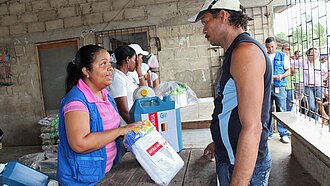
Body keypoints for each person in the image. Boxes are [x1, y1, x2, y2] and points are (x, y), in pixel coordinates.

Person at [189, 0, 272, 185]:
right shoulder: (234, 52)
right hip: (229, 157)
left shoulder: (246, 52)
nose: (203, 30)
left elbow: (253, 127)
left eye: (205, 21)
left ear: (223, 16)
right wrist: (220, 143)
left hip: (242, 167)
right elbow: (229, 107)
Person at [57, 45, 143, 185]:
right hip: (83, 181)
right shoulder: (76, 101)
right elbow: (80, 144)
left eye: (110, 63)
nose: (110, 68)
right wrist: (121, 130)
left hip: (105, 173)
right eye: (103, 64)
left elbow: (107, 131)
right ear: (86, 71)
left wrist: (128, 136)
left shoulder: (105, 96)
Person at [265, 37, 291, 143]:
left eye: (272, 46)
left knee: (281, 109)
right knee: (267, 110)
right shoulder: (264, 56)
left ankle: (283, 133)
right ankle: (268, 133)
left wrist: (281, 76)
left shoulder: (282, 56)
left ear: (276, 45)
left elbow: (288, 71)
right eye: (268, 47)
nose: (270, 49)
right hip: (267, 86)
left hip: (279, 86)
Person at [109, 46, 142, 124]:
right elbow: (123, 111)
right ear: (128, 59)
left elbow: (144, 90)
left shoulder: (127, 76)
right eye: (134, 60)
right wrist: (136, 128)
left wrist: (139, 70)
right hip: (125, 125)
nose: (136, 63)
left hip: (132, 121)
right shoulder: (117, 78)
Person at [303, 48, 328, 121]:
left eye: (317, 53)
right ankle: (313, 121)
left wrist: (322, 78)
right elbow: (293, 63)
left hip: (318, 86)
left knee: (318, 106)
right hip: (308, 86)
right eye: (313, 52)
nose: (315, 54)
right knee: (311, 107)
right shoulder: (304, 62)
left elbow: (327, 72)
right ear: (309, 54)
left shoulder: (320, 64)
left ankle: (314, 121)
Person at [281, 43, 294, 112]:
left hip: (290, 85)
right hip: (281, 84)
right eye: (286, 49)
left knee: (290, 102)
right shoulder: (279, 58)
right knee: (281, 104)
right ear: (282, 49)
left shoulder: (291, 60)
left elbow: (293, 73)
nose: (287, 51)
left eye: (289, 49)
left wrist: (290, 64)